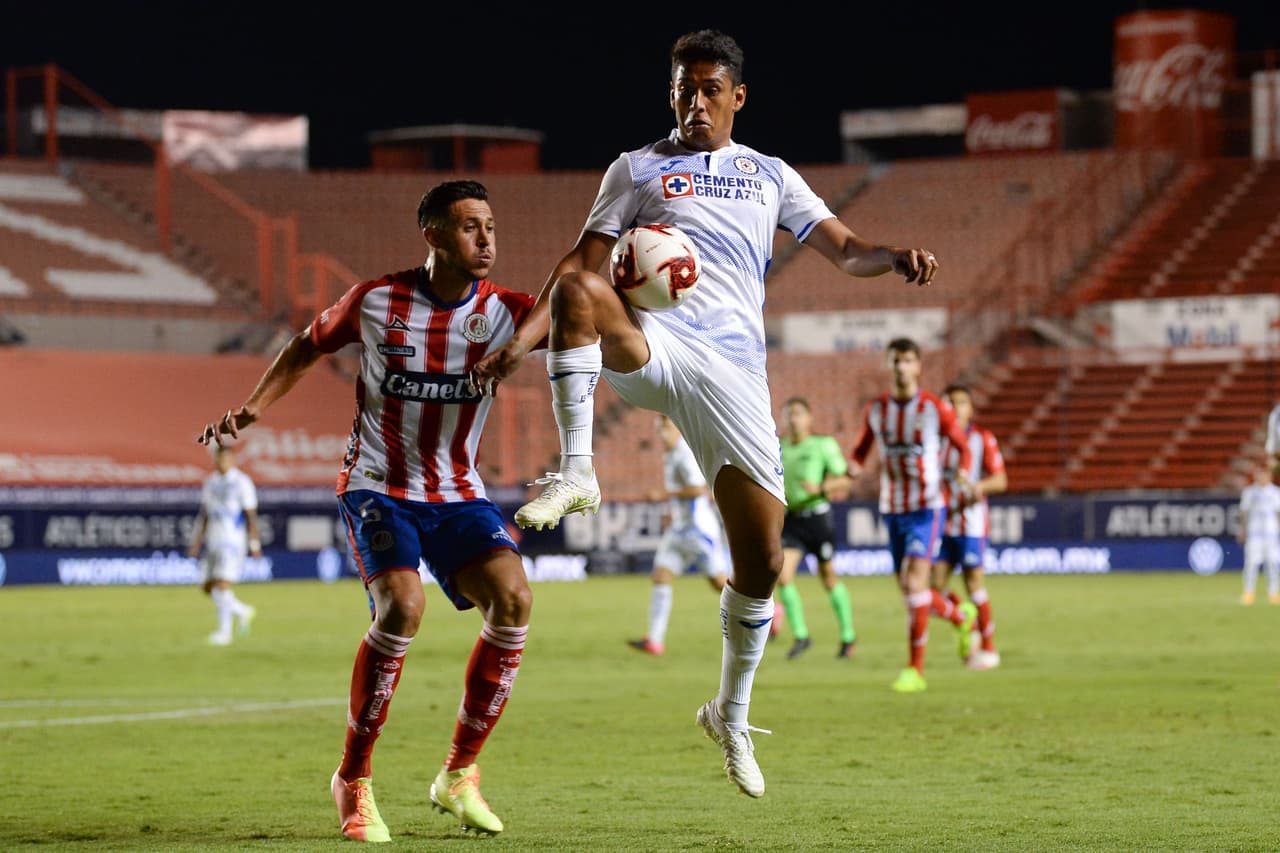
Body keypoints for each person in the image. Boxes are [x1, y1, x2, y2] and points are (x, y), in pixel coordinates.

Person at [471, 30, 939, 797]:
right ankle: (578, 468)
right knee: (582, 291)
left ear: (737, 96)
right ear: (671, 93)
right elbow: (577, 269)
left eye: (709, 89)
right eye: (682, 89)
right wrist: (516, 346)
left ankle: (730, 711)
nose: (694, 102)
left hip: (736, 375)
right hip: (656, 343)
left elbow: (845, 247)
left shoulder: (769, 175)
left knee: (762, 563)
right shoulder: (636, 168)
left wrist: (892, 255)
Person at [197, 180, 538, 840]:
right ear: (433, 234)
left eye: (491, 226)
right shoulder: (377, 301)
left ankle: (459, 773)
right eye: (470, 226)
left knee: (516, 600)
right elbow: (305, 344)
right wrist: (251, 409)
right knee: (404, 606)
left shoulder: (510, 312)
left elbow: (573, 314)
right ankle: (353, 778)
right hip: (378, 483)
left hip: (459, 491)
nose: (487, 239)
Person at [849, 338, 977, 694]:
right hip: (892, 509)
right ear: (887, 366)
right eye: (895, 361)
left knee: (914, 585)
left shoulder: (934, 408)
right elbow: (861, 450)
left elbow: (962, 446)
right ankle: (959, 615)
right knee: (910, 591)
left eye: (907, 361)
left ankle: (914, 670)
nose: (901, 367)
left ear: (918, 366)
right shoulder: (877, 409)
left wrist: (964, 471)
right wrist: (853, 468)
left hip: (927, 507)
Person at [629, 415, 730, 655]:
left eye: (665, 429)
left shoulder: (684, 453)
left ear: (677, 429)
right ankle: (655, 640)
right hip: (679, 529)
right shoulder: (670, 453)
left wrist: (664, 495)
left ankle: (765, 608)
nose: (661, 434)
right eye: (659, 429)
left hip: (698, 530)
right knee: (661, 576)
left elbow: (698, 489)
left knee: (721, 585)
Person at [775, 397, 857, 660]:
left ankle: (848, 636)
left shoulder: (823, 445)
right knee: (782, 576)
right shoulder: (778, 446)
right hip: (792, 520)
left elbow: (845, 480)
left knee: (828, 578)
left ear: (809, 418)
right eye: (788, 414)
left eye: (798, 413)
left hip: (818, 519)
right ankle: (801, 635)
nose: (793, 418)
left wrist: (822, 488)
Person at [933, 383, 1007, 669]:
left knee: (974, 583)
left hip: (971, 525)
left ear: (970, 408)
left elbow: (1000, 480)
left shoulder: (982, 439)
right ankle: (966, 621)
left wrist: (976, 487)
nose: (954, 407)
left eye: (961, 402)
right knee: (934, 586)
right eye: (949, 402)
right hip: (941, 523)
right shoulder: (935, 440)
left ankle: (989, 648)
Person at [186, 444, 261, 646]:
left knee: (222, 584)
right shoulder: (210, 482)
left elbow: (250, 515)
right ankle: (243, 611)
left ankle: (224, 633)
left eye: (226, 459)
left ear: (232, 460)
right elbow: (205, 514)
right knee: (207, 586)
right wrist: (196, 541)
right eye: (219, 459)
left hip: (232, 541)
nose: (222, 462)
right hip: (213, 540)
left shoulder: (242, 482)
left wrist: (254, 543)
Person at [1238, 464, 1280, 605]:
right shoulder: (1249, 492)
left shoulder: (1276, 492)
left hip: (1271, 534)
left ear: (1269, 476)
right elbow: (1244, 512)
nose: (1261, 477)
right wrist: (1242, 530)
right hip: (1254, 534)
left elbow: (1278, 513)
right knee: (1251, 564)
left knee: (1273, 564)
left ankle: (1274, 593)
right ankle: (1249, 593)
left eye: (1264, 474)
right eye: (1259, 474)